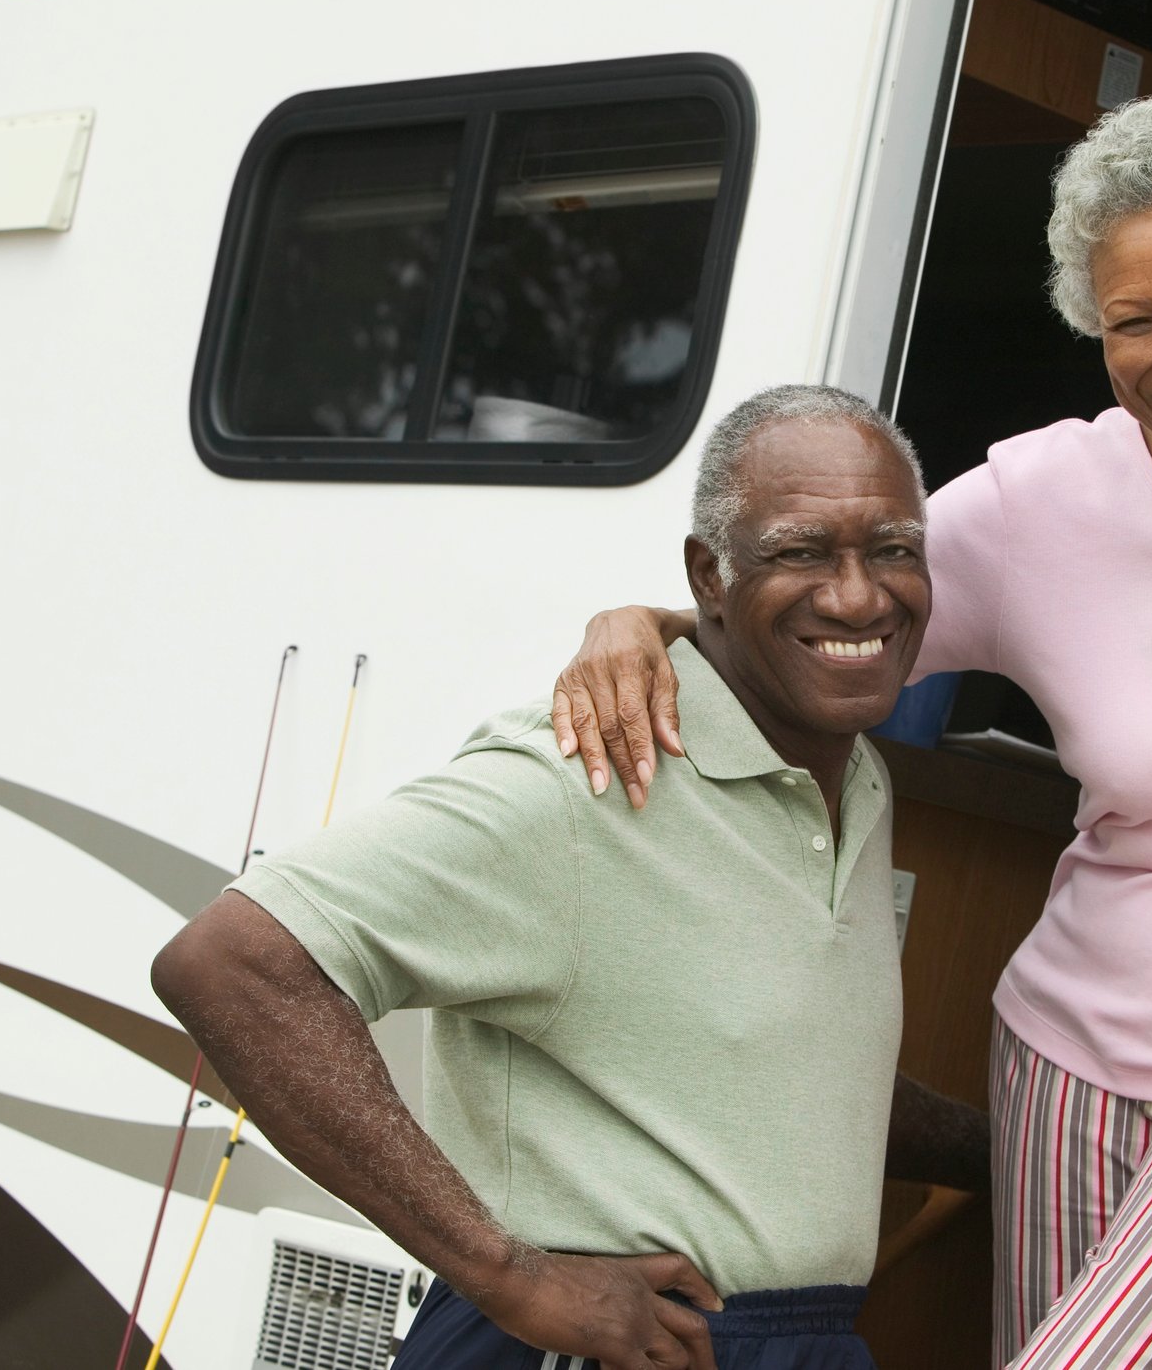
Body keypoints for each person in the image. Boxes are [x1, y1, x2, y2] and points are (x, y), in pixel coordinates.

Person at [547, 89, 1152, 1369]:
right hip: (1067, 1046)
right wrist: (645, 623)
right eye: (1134, 322)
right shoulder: (1047, 499)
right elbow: (822, 620)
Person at [152, 385, 990, 1370]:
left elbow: (785, 1081)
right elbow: (232, 963)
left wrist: (1007, 1153)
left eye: (891, 548)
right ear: (708, 577)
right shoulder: (588, 776)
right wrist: (511, 1276)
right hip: (612, 1342)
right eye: (800, 550)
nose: (858, 595)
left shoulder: (852, 778)